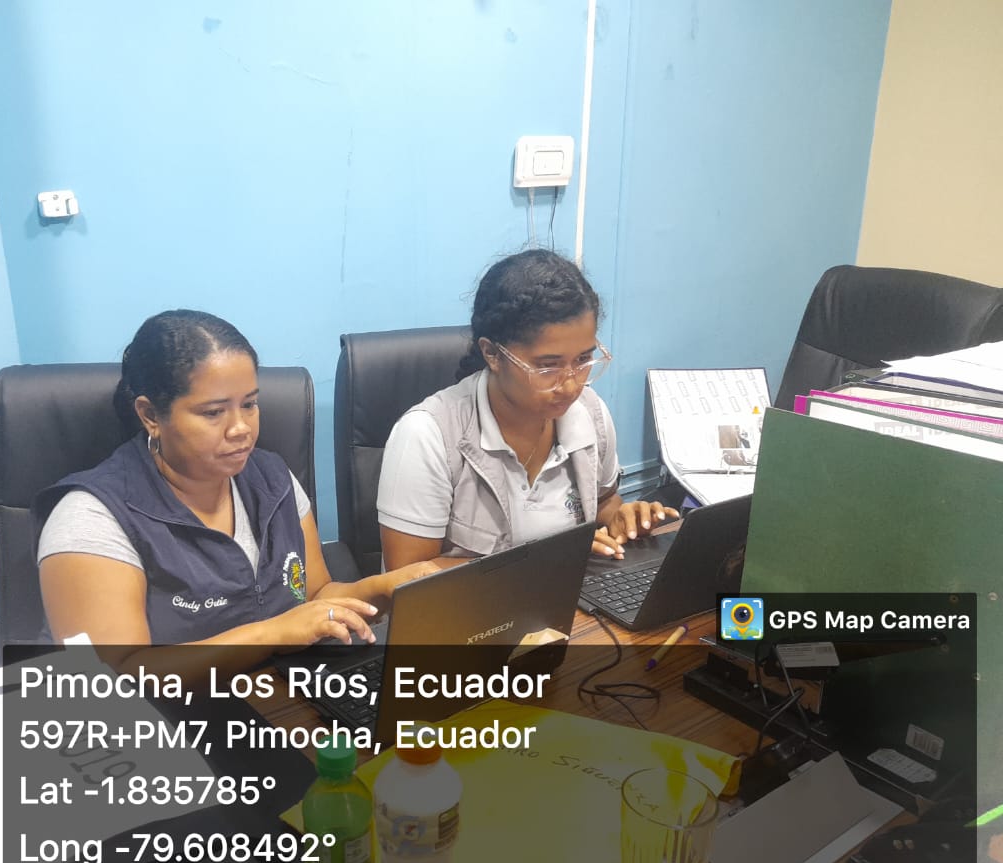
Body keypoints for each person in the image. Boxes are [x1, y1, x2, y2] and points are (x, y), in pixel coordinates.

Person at [34, 310, 436, 660]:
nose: (241, 428)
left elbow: (314, 596)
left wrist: (386, 588)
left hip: (277, 693)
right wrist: (270, 634)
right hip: (163, 717)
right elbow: (115, 676)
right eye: (213, 412)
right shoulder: (90, 519)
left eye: (249, 404)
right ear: (151, 415)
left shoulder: (273, 478)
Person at [377, 249, 678, 570]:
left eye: (583, 360)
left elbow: (603, 500)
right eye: (548, 366)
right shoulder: (428, 436)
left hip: (569, 593)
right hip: (472, 604)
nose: (571, 386)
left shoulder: (590, 413)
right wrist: (542, 561)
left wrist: (620, 517)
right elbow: (407, 577)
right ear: (492, 354)